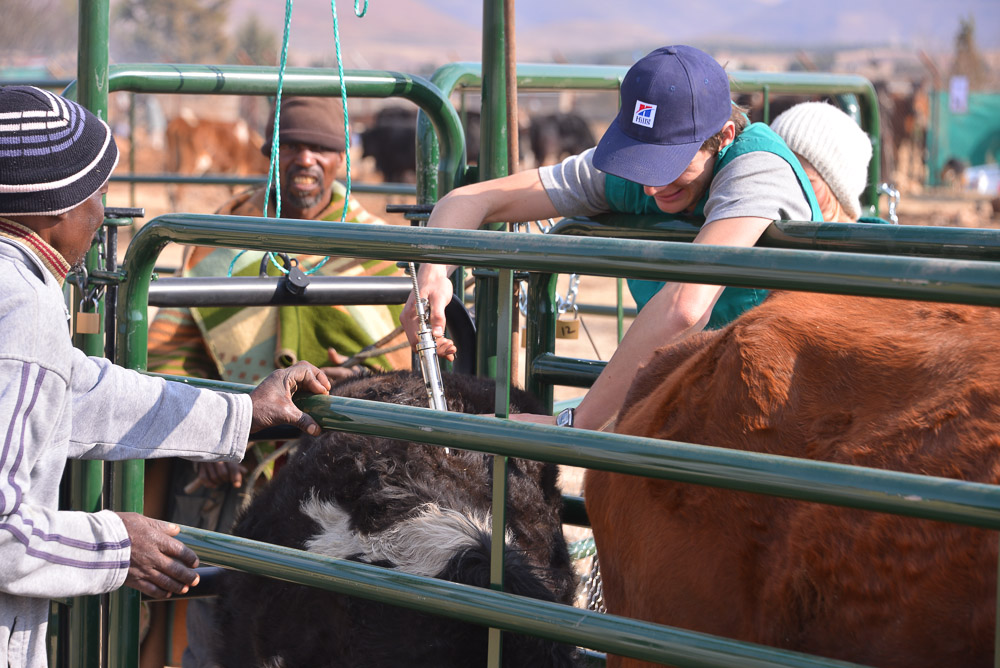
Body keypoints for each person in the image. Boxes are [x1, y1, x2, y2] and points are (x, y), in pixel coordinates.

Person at [0, 85, 331, 668]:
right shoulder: (21, 308)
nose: (104, 214)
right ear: (54, 207)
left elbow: (77, 392)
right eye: (96, 194)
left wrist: (240, 414)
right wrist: (116, 545)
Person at [401, 45, 824, 433]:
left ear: (724, 137)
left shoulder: (756, 171)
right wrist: (434, 273)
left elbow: (685, 307)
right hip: (697, 387)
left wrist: (574, 423)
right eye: (644, 162)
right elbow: (474, 199)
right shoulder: (624, 172)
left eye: (671, 163)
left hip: (787, 398)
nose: (653, 187)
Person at [144, 95, 410, 667]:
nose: (305, 160)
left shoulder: (378, 249)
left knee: (330, 624)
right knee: (216, 615)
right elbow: (167, 350)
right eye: (291, 147)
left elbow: (408, 368)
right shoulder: (216, 234)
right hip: (230, 469)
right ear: (269, 153)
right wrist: (204, 435)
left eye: (321, 148)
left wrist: (362, 382)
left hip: (337, 477)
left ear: (343, 159)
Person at [769, 101, 874, 223]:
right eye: (772, 174)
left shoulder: (865, 240)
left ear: (837, 192)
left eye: (802, 181)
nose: (781, 188)